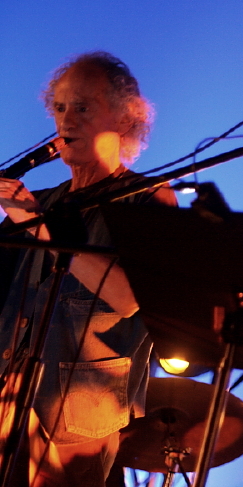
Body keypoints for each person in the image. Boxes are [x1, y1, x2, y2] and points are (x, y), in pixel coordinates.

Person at [0, 51, 176, 487]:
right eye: (60, 108)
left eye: (82, 107)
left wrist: (37, 225)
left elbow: (128, 298)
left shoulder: (148, 199)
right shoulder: (44, 201)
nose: (66, 119)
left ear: (126, 117)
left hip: (75, 416)